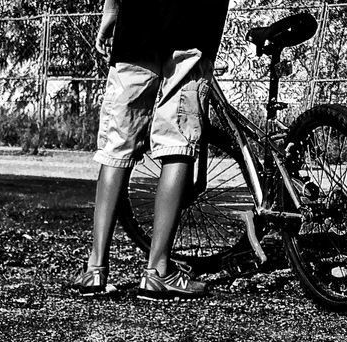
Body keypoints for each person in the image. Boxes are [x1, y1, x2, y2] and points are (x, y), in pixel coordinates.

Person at [73, 0, 231, 299]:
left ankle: (95, 269)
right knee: (177, 143)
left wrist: (110, 15)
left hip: (136, 28)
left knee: (117, 145)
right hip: (192, 29)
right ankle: (158, 271)